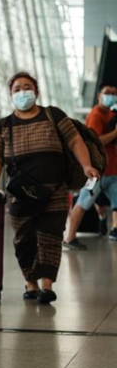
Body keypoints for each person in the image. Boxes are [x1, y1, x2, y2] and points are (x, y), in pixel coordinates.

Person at [0, 72, 99, 304]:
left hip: (54, 190)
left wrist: (86, 165)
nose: (22, 92)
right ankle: (30, 283)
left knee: (51, 236)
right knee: (23, 239)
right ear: (10, 94)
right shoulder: (4, 126)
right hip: (20, 193)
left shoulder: (53, 115)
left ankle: (47, 285)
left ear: (36, 92)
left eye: (27, 87)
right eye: (17, 89)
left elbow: (75, 141)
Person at [64, 83, 117, 249]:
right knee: (83, 202)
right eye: (107, 93)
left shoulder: (111, 114)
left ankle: (113, 229)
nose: (111, 96)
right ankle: (70, 238)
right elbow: (97, 140)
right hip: (97, 172)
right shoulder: (95, 115)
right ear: (99, 96)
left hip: (113, 171)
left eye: (114, 93)